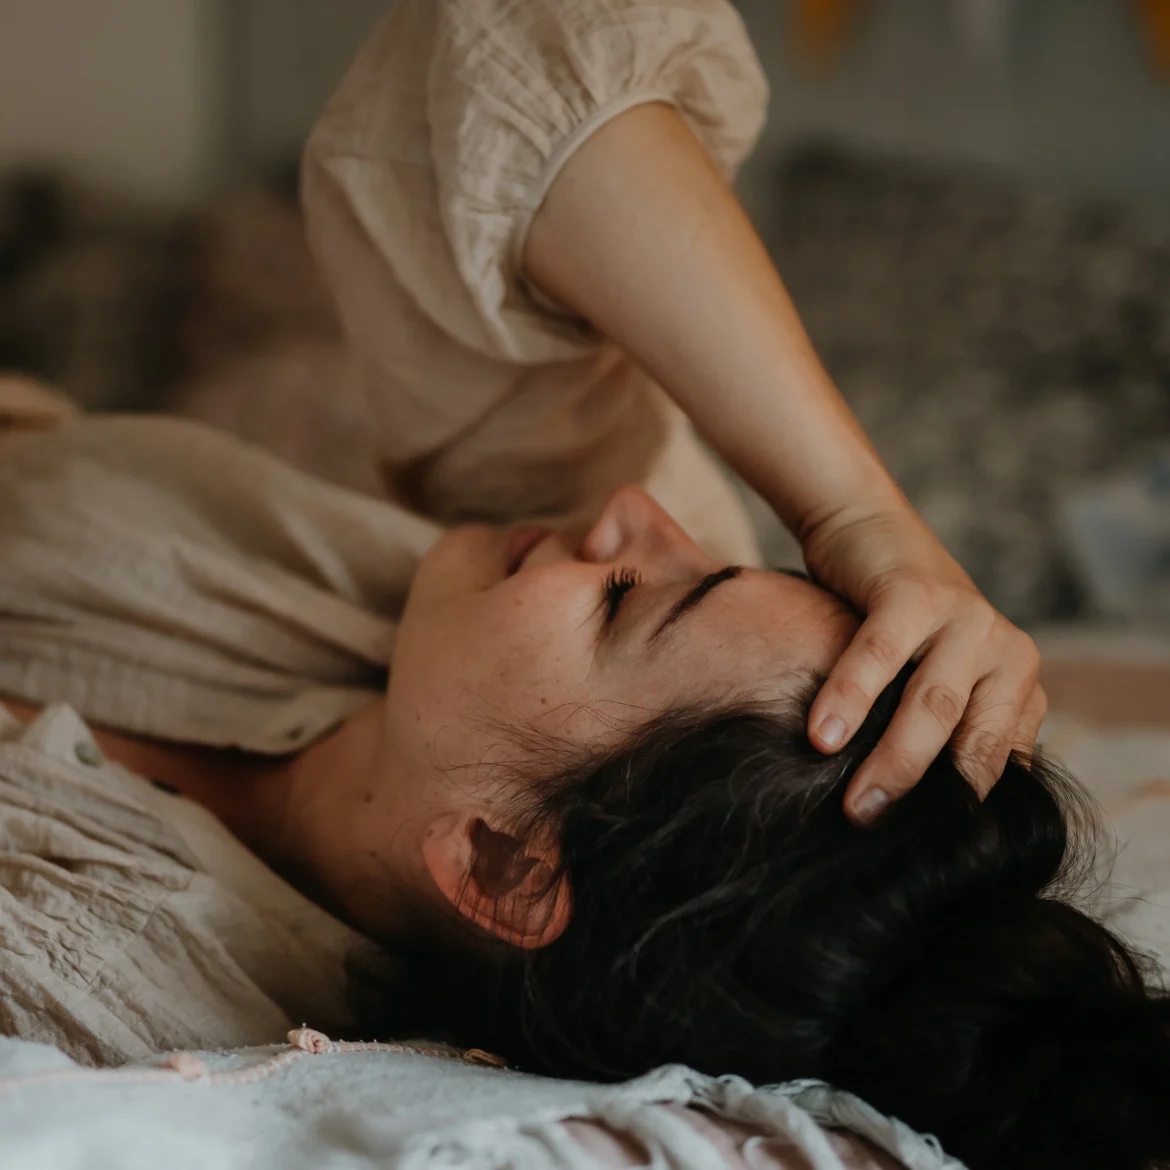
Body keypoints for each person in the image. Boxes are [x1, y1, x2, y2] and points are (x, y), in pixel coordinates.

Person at [0, 4, 1163, 1170]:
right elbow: (498, 60)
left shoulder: (108, 971)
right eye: (724, 563)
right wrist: (855, 513)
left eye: (627, 601)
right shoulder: (462, 637)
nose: (632, 516)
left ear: (506, 866)